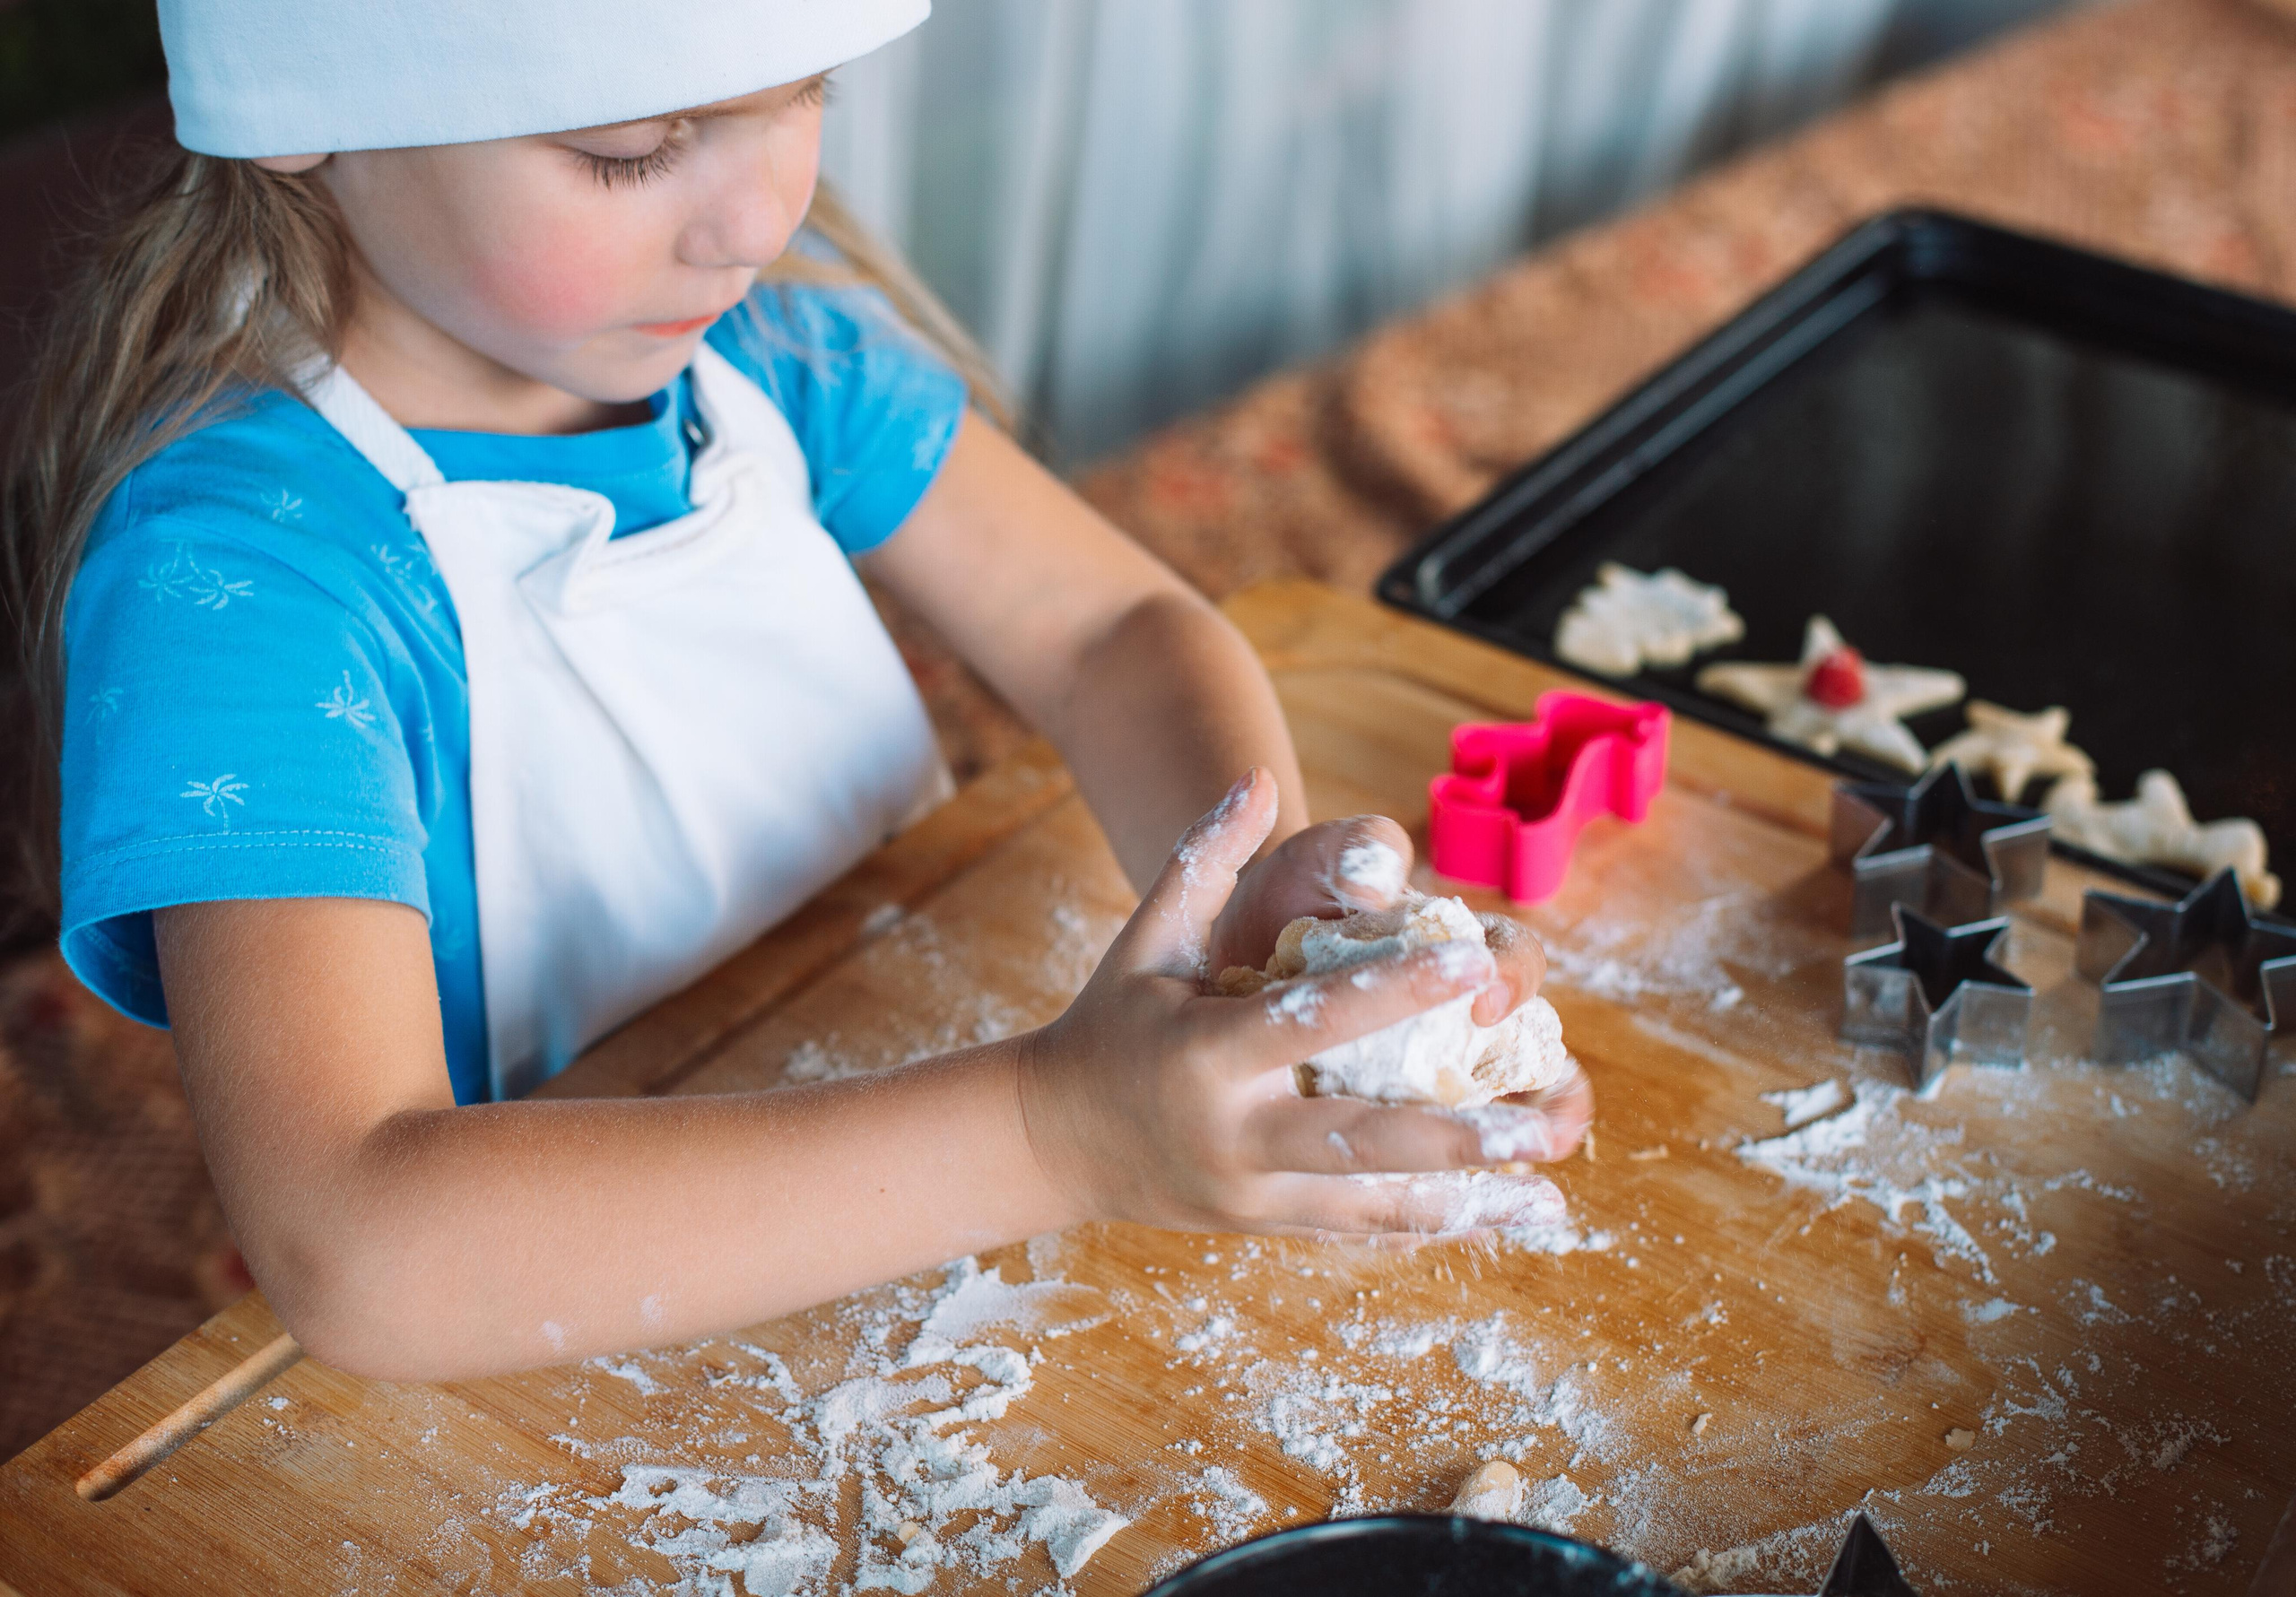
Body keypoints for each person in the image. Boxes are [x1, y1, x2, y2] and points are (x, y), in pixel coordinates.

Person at [1, 0, 1590, 1382]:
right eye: (633, 146)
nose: (756, 220)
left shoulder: (772, 364)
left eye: (802, 93)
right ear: (306, 115)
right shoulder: (243, 585)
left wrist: (1253, 910)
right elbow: (359, 1237)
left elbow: (1112, 630)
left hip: (940, 1211)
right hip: (572, 1326)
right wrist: (1057, 1129)